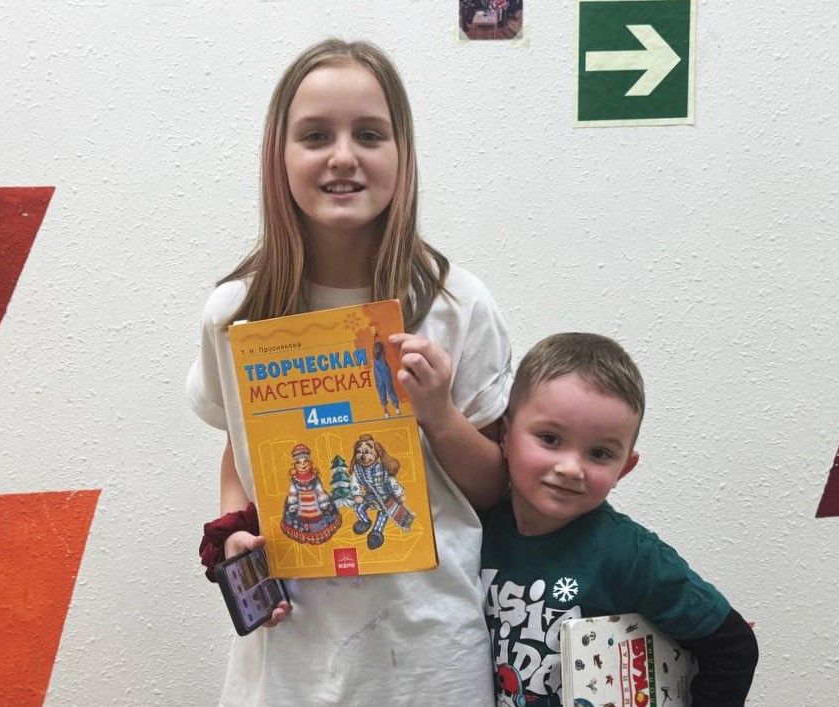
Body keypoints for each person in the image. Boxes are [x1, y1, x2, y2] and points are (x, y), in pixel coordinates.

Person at [188, 38, 513, 706]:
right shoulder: (235, 312)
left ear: (403, 155)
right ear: (278, 157)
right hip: (290, 654)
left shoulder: (456, 305)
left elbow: (495, 487)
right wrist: (232, 533)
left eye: (369, 134)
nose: (342, 156)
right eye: (315, 135)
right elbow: (239, 451)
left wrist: (439, 414)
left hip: (428, 657)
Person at [481, 333, 758, 705]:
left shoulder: (629, 554)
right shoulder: (479, 527)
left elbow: (733, 646)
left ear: (623, 469)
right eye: (550, 438)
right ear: (505, 435)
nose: (570, 468)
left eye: (599, 453)